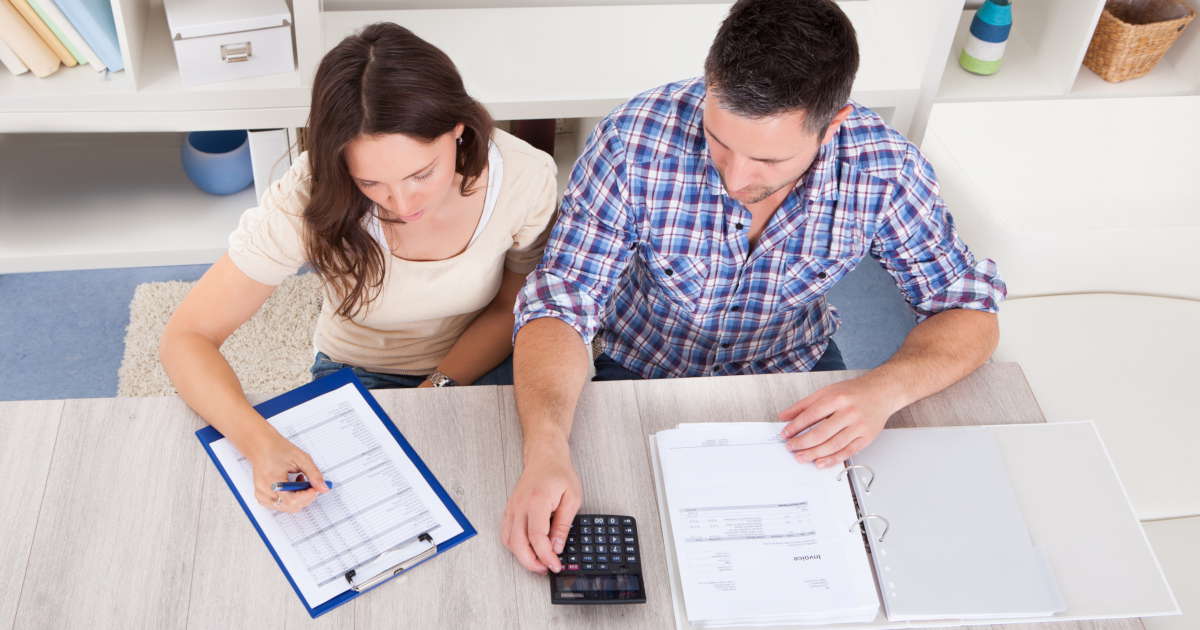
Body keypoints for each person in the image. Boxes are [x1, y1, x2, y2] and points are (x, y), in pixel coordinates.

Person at [501, 0, 1007, 574]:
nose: (735, 177)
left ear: (832, 123)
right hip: (637, 364)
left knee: (857, 557)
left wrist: (883, 390)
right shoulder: (630, 142)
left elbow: (969, 309)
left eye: (768, 157)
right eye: (719, 141)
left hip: (794, 371)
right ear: (710, 84)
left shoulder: (885, 168)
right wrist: (544, 446)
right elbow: (562, 300)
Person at [160, 23, 558, 515]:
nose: (402, 202)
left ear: (459, 131)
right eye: (370, 182)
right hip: (361, 370)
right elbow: (187, 337)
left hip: (481, 358)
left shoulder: (524, 176)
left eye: (421, 173)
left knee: (526, 501)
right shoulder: (308, 193)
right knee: (341, 516)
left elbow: (512, 307)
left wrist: (437, 387)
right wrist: (258, 440)